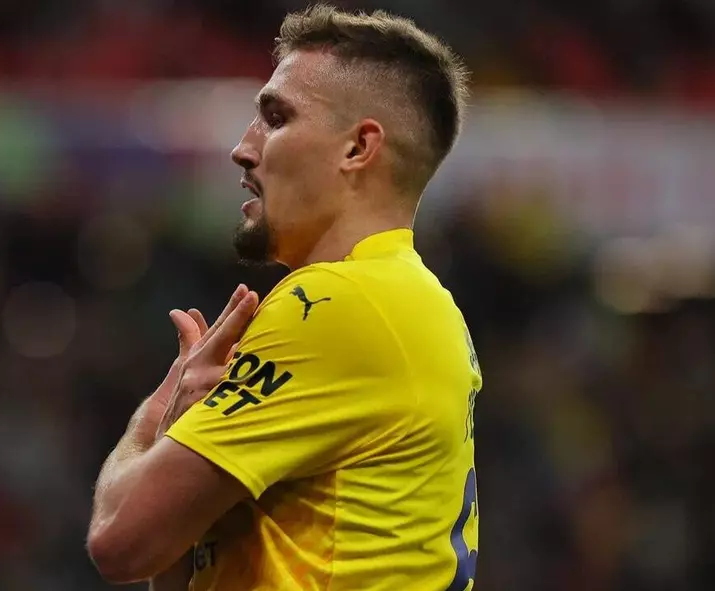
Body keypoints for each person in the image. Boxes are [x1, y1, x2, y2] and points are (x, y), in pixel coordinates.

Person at [88, 4, 481, 590]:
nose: (243, 148)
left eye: (276, 118)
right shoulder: (410, 303)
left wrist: (154, 422)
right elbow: (170, 565)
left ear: (358, 148)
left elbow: (119, 542)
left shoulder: (337, 303)